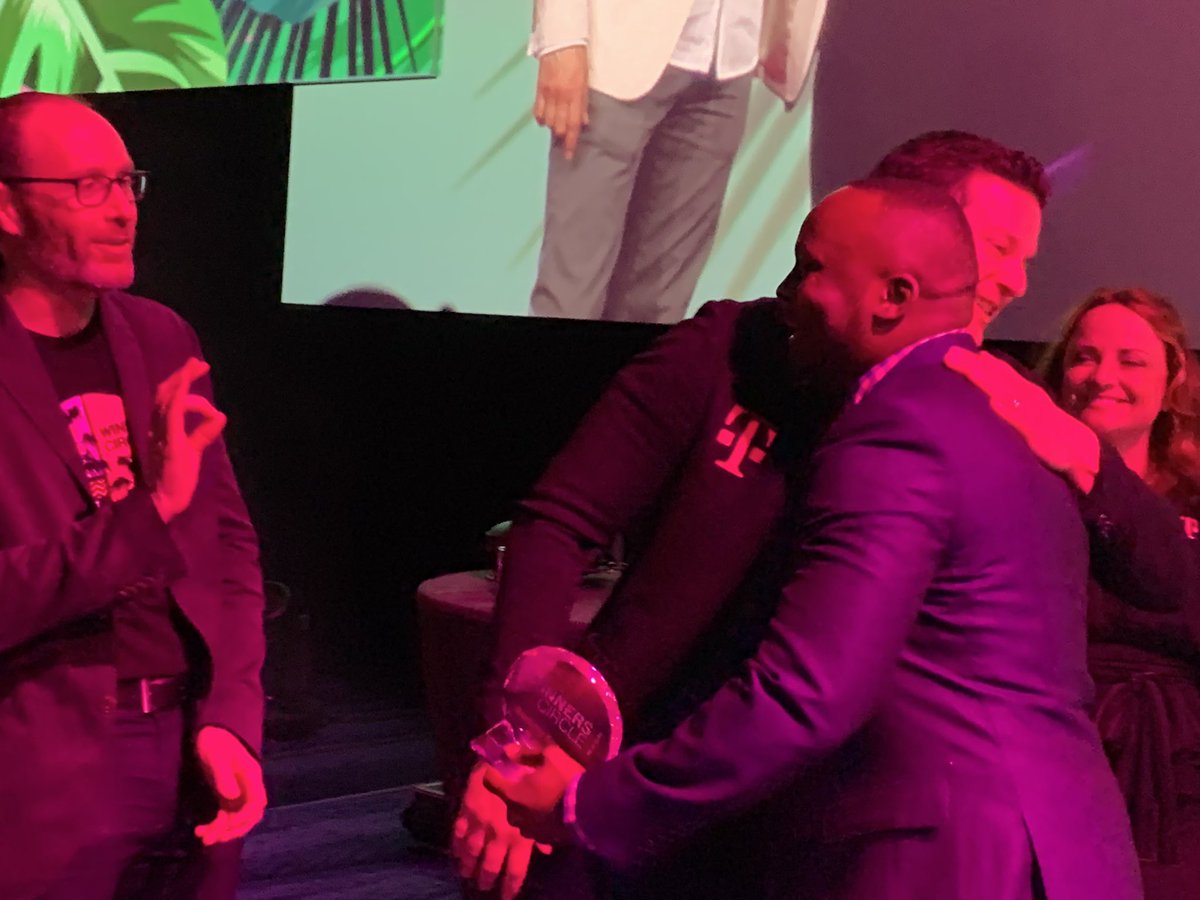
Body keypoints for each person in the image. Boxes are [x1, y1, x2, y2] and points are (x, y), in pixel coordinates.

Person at [488, 179, 1142, 900]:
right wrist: (525, 740)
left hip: (946, 855)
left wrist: (585, 804)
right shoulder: (1009, 415)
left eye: (809, 269)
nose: (787, 289)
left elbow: (808, 695)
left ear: (894, 294)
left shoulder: (899, 428)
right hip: (1071, 848)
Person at [0, 92, 266, 899]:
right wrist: (147, 514)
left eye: (127, 183)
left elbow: (229, 549)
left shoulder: (161, 336)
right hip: (47, 770)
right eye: (89, 187)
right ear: (7, 207)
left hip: (193, 748)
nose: (123, 210)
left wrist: (232, 716)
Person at [527, 0, 826, 322]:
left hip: (729, 57)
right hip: (616, 52)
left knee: (659, 306)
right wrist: (562, 36)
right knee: (571, 297)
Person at [1047, 289, 1200, 898]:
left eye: (1131, 360)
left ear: (1173, 376)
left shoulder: (1195, 497)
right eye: (1084, 357)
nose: (1102, 377)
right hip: (1060, 756)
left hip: (1183, 772)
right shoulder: (1023, 485)